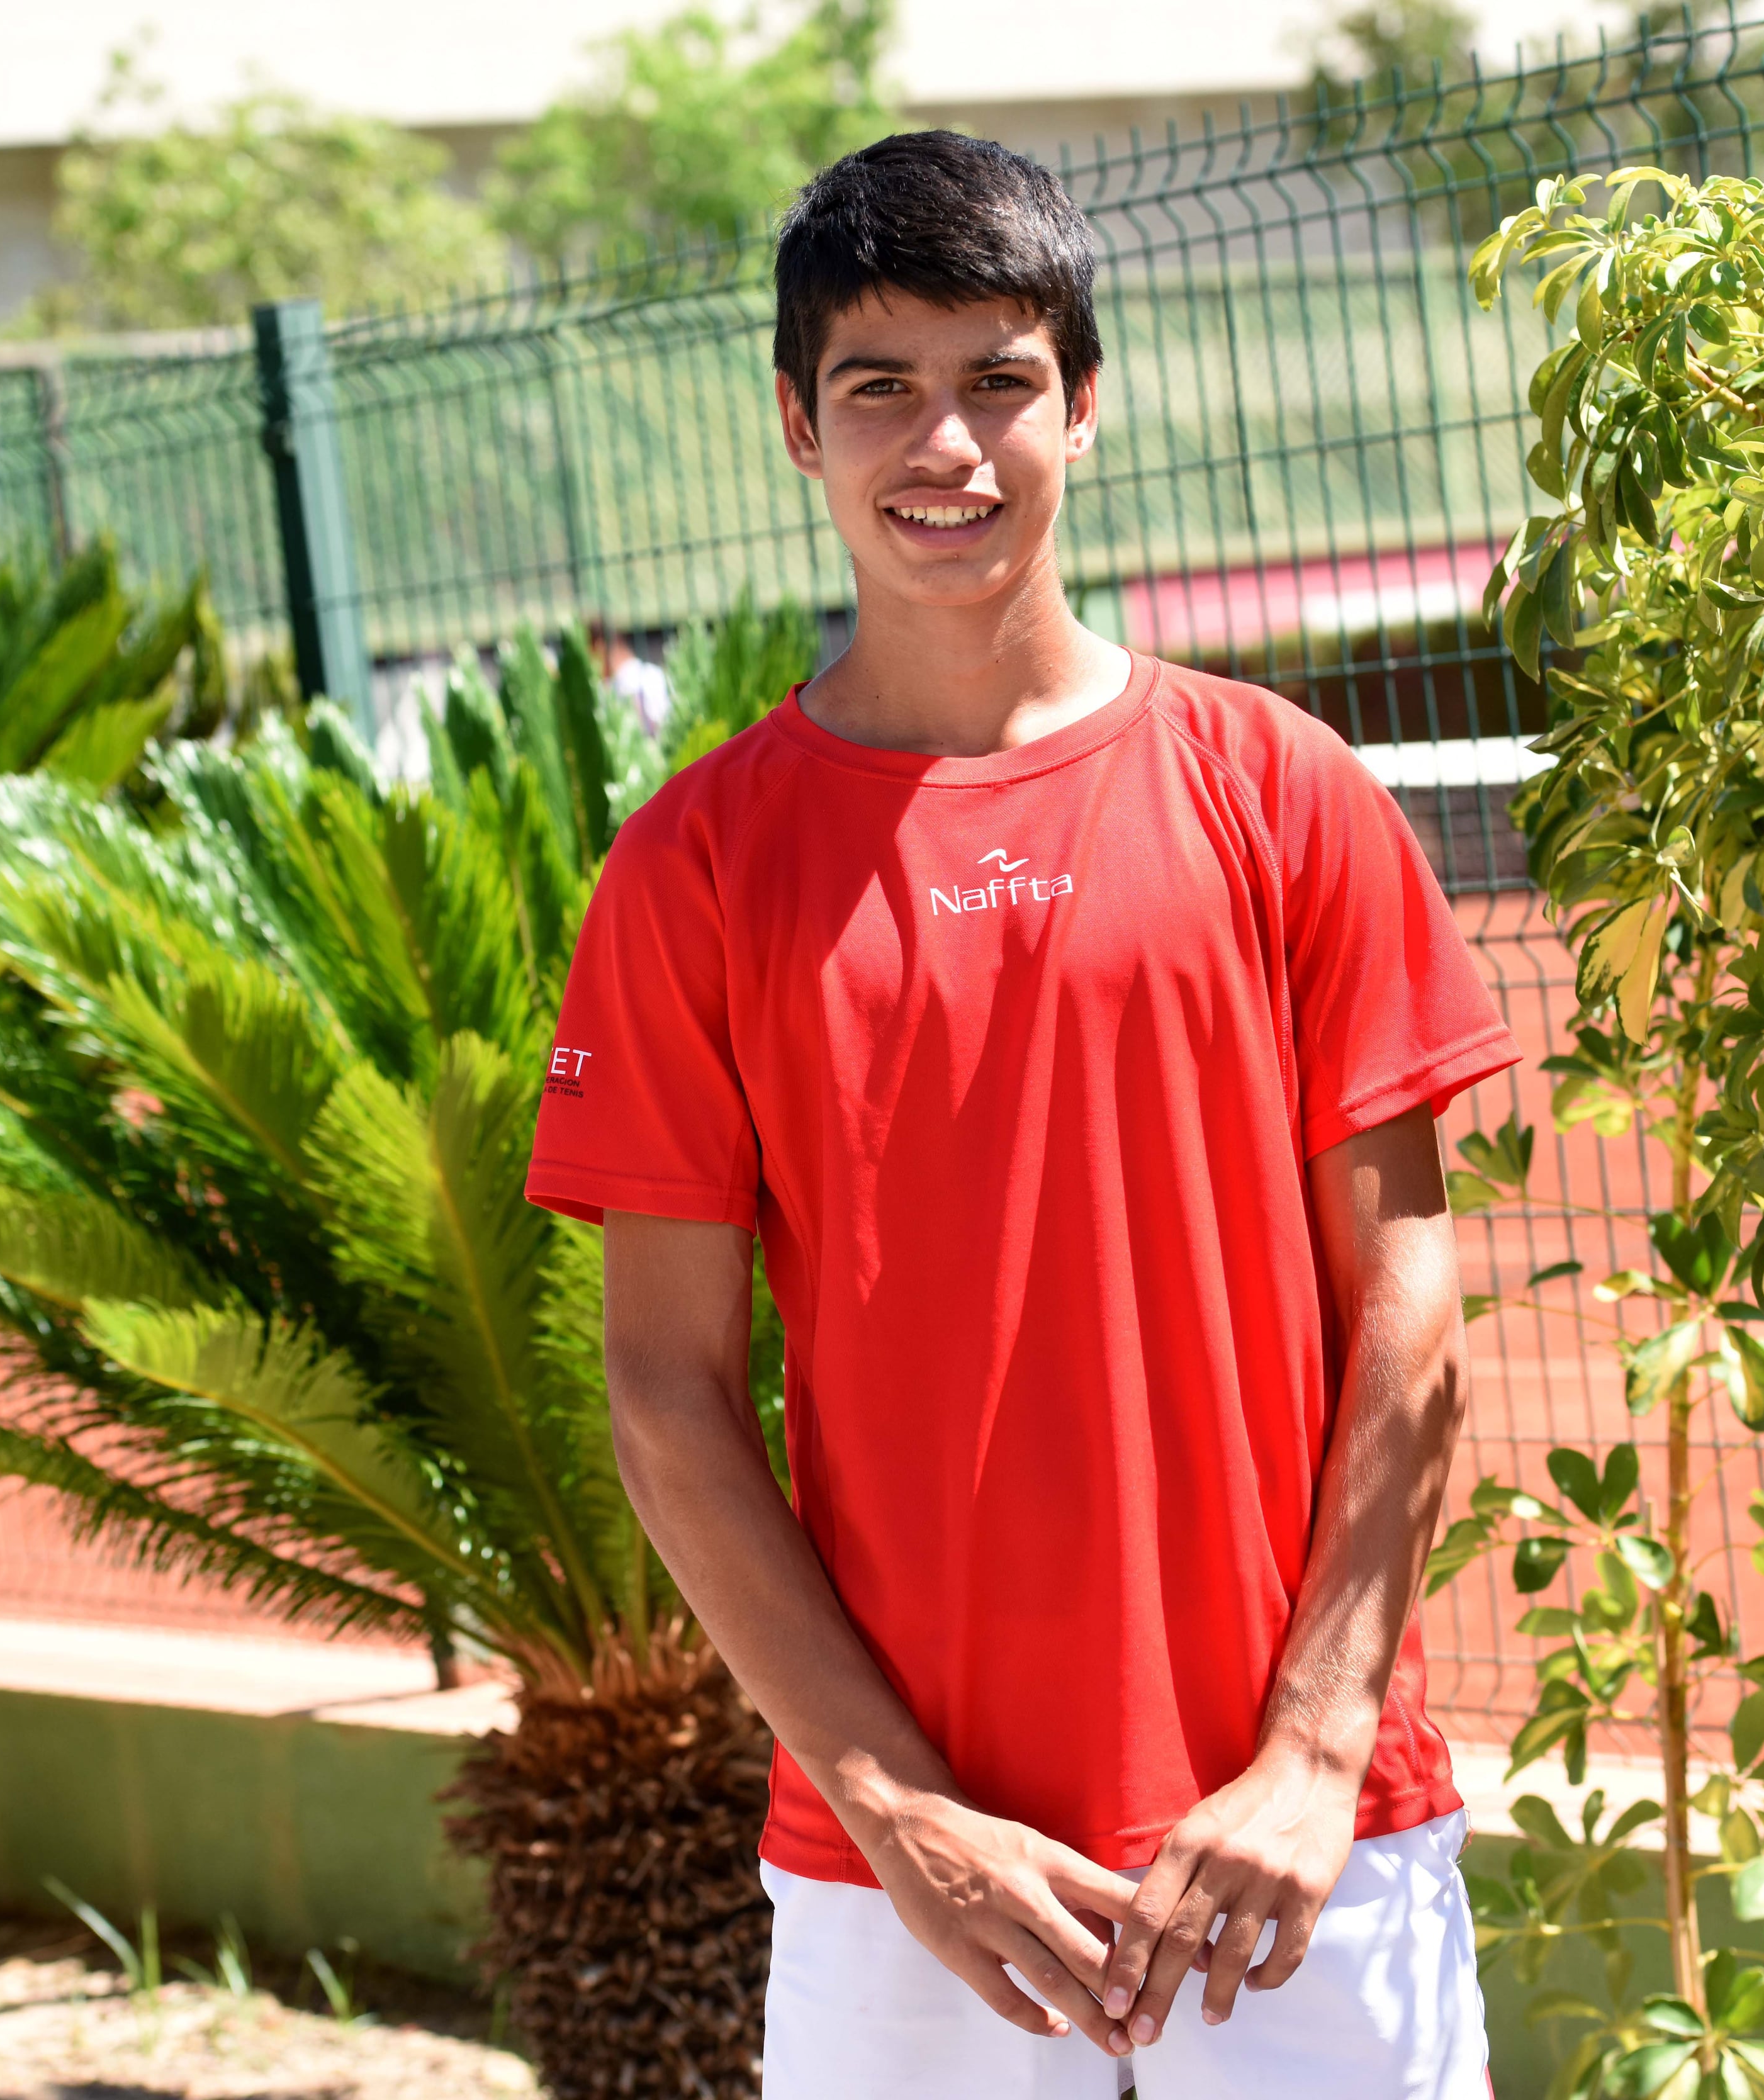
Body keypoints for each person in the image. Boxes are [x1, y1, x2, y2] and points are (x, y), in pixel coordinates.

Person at [524, 130, 1517, 2099]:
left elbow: (1409, 1318)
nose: (946, 443)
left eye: (999, 378)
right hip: (907, 1886)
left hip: (1299, 1847)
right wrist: (902, 1814)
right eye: (879, 385)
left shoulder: (1285, 792)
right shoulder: (694, 871)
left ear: (1086, 403)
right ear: (796, 425)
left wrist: (1314, 1755)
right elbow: (667, 1394)